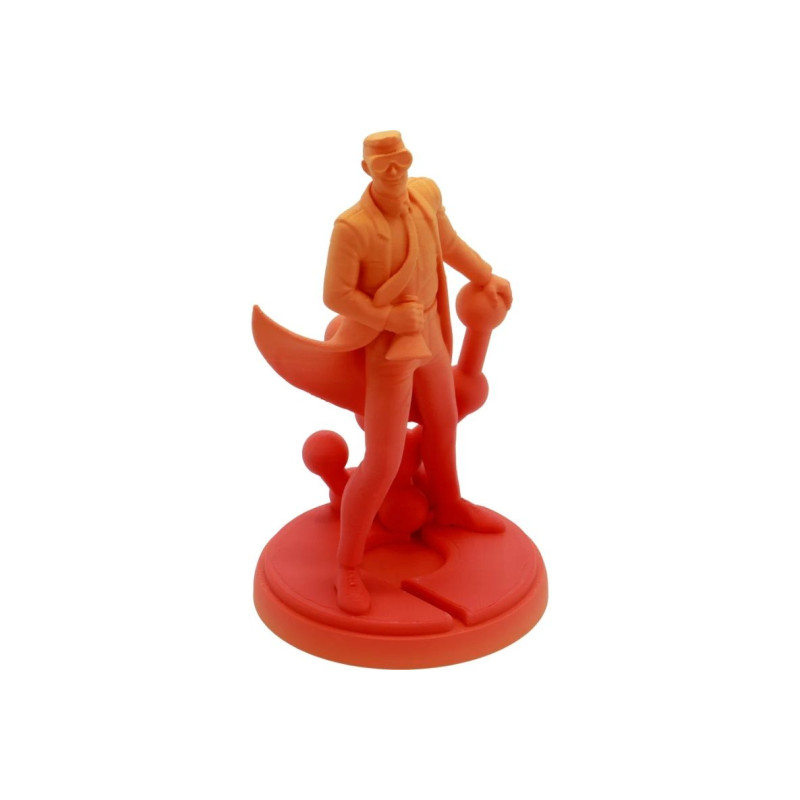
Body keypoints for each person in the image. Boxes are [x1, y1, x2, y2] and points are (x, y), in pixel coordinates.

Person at [322, 131, 513, 614]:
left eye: (401, 159)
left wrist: (486, 275)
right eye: (383, 163)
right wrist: (387, 317)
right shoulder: (353, 227)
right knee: (381, 462)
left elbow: (448, 244)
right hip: (387, 349)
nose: (395, 170)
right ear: (366, 169)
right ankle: (347, 565)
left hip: (429, 332)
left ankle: (449, 505)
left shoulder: (425, 196)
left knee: (443, 424)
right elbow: (336, 295)